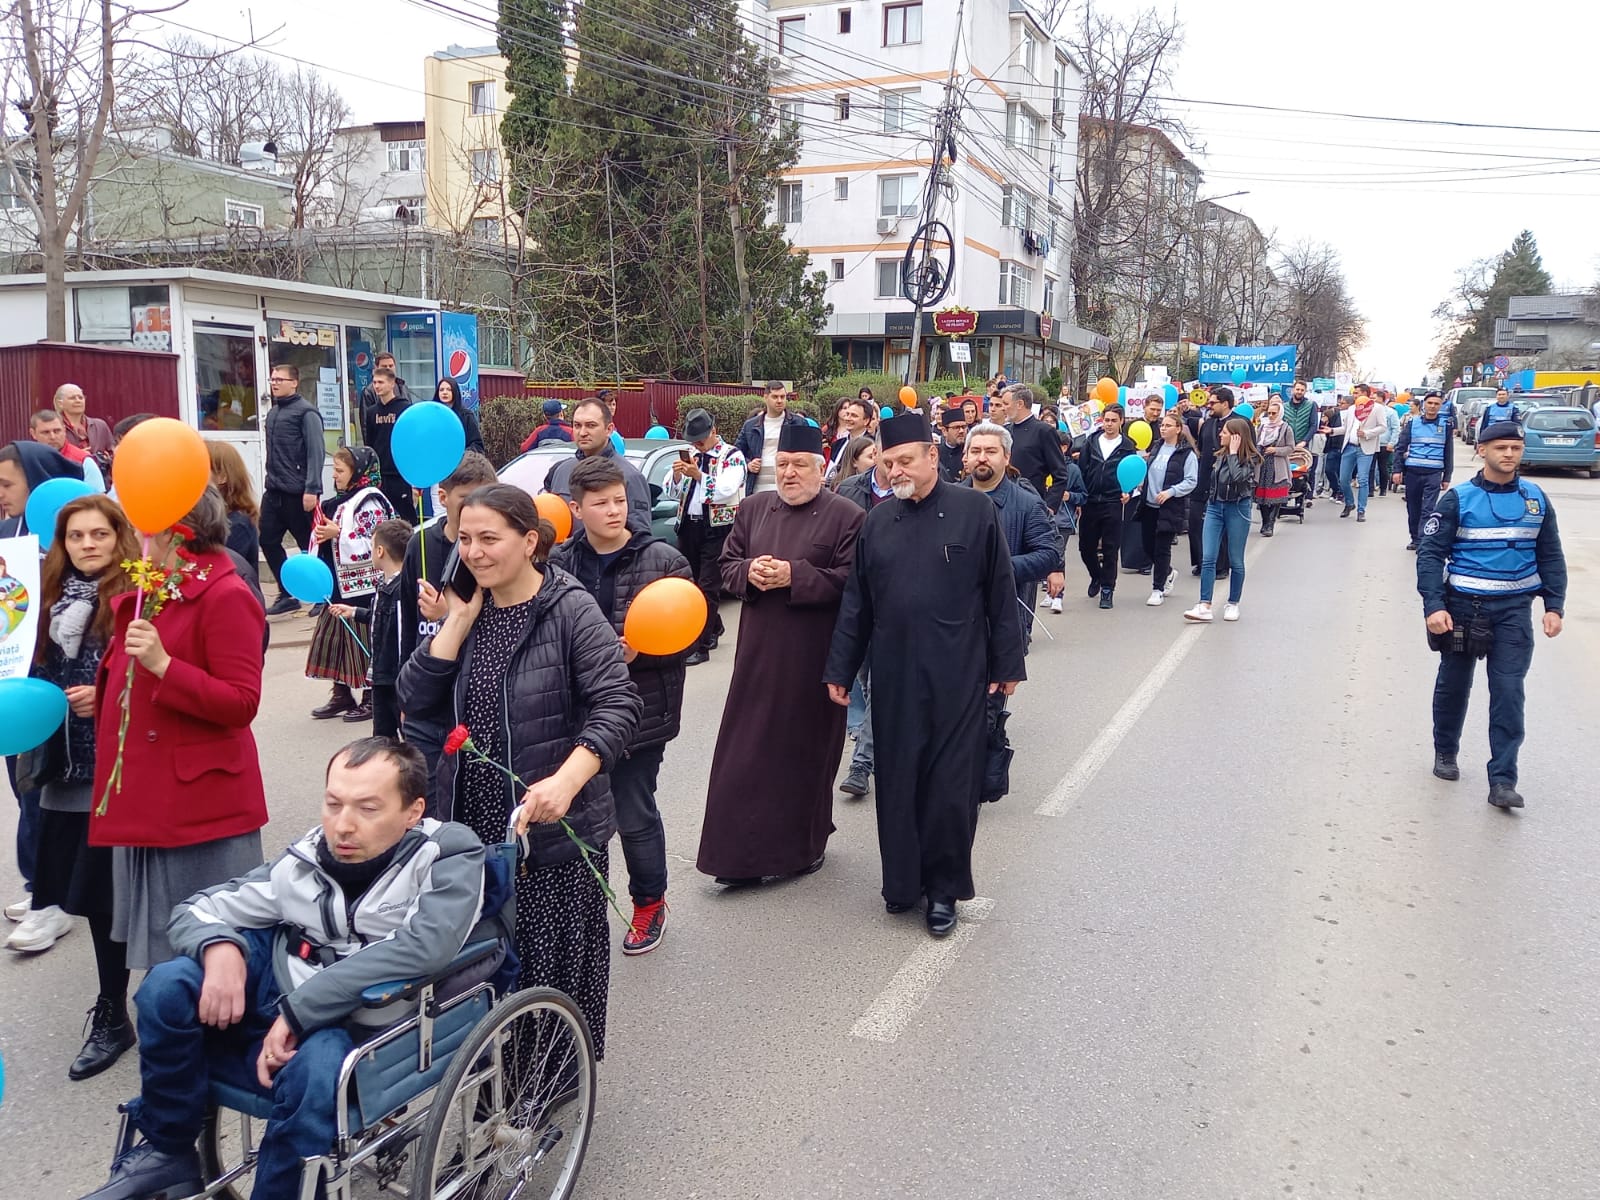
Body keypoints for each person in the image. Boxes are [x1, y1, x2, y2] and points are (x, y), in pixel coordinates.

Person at [78, 738, 484, 1200]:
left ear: (413, 811)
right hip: (281, 985)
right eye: (333, 804)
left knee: (319, 1067)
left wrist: (299, 1012)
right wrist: (219, 948)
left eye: (368, 808)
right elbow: (196, 910)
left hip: (361, 1019)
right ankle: (167, 1151)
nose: (343, 825)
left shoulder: (448, 853)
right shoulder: (303, 860)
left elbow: (424, 947)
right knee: (166, 986)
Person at [399, 483, 641, 1062]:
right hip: (474, 822)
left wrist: (567, 781)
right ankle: (492, 1082)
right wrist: (456, 621)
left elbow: (618, 704)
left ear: (530, 541)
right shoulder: (470, 610)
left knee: (546, 967)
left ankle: (551, 1083)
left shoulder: (569, 608)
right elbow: (414, 699)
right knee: (483, 967)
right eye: (464, 539)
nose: (474, 552)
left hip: (549, 827)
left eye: (489, 538)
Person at [824, 412, 1025, 938]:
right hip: (893, 675)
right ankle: (902, 882)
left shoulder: (974, 510)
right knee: (897, 781)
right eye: (888, 463)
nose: (895, 471)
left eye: (905, 461)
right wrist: (841, 666)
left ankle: (943, 891)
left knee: (949, 788)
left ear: (933, 456)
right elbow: (857, 603)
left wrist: (1008, 663)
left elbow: (1000, 590)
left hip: (959, 674)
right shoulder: (876, 522)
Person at [89, 485, 268, 974]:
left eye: (138, 522)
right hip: (153, 797)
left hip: (198, 810)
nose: (129, 532)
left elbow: (241, 702)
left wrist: (165, 666)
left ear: (174, 530)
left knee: (203, 953)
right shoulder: (157, 584)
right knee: (167, 956)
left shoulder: (225, 593)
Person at [697, 424, 864, 885]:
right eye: (783, 465)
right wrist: (751, 571)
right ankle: (736, 859)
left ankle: (801, 850)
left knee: (803, 757)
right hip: (757, 658)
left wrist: (795, 576)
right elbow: (726, 567)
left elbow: (853, 582)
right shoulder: (753, 508)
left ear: (820, 469)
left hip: (813, 658)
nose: (789, 474)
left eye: (799, 465)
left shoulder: (847, 516)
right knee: (744, 756)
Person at [9, 498, 139, 1083]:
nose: (88, 544)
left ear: (118, 538)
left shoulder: (136, 596)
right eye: (76, 535)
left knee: (126, 893)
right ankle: (114, 1009)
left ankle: (148, 1001)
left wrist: (104, 696)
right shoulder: (43, 600)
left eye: (99, 534)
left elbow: (152, 677)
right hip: (62, 767)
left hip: (118, 769)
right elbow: (29, 672)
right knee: (92, 896)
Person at [551, 457, 691, 955]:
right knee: (576, 815)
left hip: (640, 710)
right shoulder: (559, 563)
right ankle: (580, 909)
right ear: (576, 509)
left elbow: (692, 635)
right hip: (576, 709)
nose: (615, 511)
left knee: (632, 811)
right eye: (601, 503)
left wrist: (642, 652)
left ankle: (649, 903)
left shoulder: (663, 560)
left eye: (620, 501)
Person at [1416, 421, 1565, 809]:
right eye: (1501, 447)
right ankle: (1445, 751)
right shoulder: (1458, 499)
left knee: (1509, 693)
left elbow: (1550, 555)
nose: (1509, 454)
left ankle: (1502, 780)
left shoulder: (1536, 499)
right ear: (1482, 450)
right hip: (1463, 609)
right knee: (1454, 684)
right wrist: (1434, 605)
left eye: (1516, 447)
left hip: (1514, 611)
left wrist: (1554, 606)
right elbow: (1430, 554)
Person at [400, 451, 500, 785]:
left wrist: (449, 616)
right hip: (429, 694)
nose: (476, 507)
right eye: (466, 499)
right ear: (442, 498)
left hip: (477, 695)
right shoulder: (420, 544)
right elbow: (405, 624)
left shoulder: (497, 552)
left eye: (486, 496)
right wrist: (404, 695)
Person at [306, 447, 394, 722]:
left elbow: (376, 544)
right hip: (338, 584)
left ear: (358, 472)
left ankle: (371, 697)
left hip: (362, 589)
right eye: (334, 470)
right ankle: (341, 693)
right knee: (334, 640)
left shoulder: (371, 501)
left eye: (340, 471)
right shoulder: (341, 500)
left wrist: (339, 533)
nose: (335, 476)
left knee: (362, 643)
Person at [963, 420, 1064, 637]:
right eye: (975, 451)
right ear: (967, 456)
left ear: (1006, 457)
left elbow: (1048, 554)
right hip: (953, 624)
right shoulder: (947, 501)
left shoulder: (1028, 504)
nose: (982, 458)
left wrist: (1001, 568)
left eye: (991, 451)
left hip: (1005, 623)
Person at [668, 408, 745, 666]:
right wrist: (677, 475)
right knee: (689, 584)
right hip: (689, 526)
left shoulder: (732, 456)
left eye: (700, 440)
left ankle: (699, 646)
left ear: (714, 431)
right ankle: (714, 626)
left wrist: (699, 475)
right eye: (693, 440)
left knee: (708, 587)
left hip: (718, 529)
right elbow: (672, 491)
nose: (697, 445)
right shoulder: (691, 454)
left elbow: (727, 489)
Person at [260, 363, 326, 615]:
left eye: (280, 379)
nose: (275, 383)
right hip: (274, 490)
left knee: (309, 547)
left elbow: (316, 452)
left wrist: (312, 488)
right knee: (267, 540)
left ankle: (322, 595)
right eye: (273, 379)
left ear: (294, 383)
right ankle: (287, 594)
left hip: (299, 493)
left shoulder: (306, 413)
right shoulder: (274, 413)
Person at [1184, 417, 1261, 624]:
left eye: (1225, 432)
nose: (1220, 435)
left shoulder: (1251, 458)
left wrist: (1234, 454)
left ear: (1236, 437)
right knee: (1208, 557)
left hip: (1238, 508)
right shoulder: (1220, 455)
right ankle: (1204, 604)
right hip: (1215, 507)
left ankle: (1233, 603)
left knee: (1236, 559)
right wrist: (1210, 502)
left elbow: (1238, 478)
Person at [543, 397, 652, 535]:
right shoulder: (561, 471)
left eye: (591, 425)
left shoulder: (629, 476)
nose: (582, 432)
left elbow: (640, 535)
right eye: (577, 425)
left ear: (609, 429)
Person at [343, 519, 410, 740]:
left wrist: (405, 685)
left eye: (372, 546)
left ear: (380, 551)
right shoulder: (384, 585)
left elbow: (403, 637)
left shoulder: (402, 590)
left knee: (407, 735)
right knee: (382, 737)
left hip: (395, 678)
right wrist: (355, 612)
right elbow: (379, 618)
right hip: (381, 676)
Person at [1076, 404, 1136, 608]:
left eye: (1113, 421)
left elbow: (1132, 473)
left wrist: (1129, 492)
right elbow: (1082, 470)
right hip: (1091, 501)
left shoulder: (1127, 446)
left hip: (1112, 502)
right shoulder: (1091, 442)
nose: (1109, 424)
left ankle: (1108, 590)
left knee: (1110, 549)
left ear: (1121, 422)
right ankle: (1096, 576)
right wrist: (1080, 497)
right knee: (1086, 547)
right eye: (1106, 420)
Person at [1136, 411, 1197, 606]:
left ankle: (1158, 589)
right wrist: (1142, 483)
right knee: (1147, 547)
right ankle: (1168, 572)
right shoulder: (1156, 447)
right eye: (1162, 425)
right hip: (1149, 505)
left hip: (1170, 507)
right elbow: (1149, 471)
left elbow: (1191, 480)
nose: (1163, 428)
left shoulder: (1186, 453)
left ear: (1178, 429)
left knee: (1162, 549)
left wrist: (1171, 492)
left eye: (1168, 425)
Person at [1393, 391, 1455, 551]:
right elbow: (1400, 447)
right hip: (1413, 472)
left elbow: (1448, 452)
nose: (1433, 406)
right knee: (1413, 508)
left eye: (1436, 404)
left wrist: (1447, 476)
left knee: (1428, 509)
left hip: (1433, 473)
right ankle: (1415, 538)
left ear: (1440, 406)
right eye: (1430, 403)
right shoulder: (1413, 423)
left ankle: (1423, 540)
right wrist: (1397, 470)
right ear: (1424, 405)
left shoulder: (1446, 425)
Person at [995, 383, 1070, 512]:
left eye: (1006, 404)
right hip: (1003, 503)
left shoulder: (1044, 431)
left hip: (1031, 504)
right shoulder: (1005, 431)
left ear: (1019, 404)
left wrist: (1049, 506)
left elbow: (1060, 474)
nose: (1003, 408)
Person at [361, 367, 416, 524]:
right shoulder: (371, 412)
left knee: (406, 518)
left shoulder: (405, 408)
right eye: (375, 382)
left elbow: (410, 441)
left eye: (381, 382)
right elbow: (370, 443)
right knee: (382, 516)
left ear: (392, 384)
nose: (377, 386)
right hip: (380, 474)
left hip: (400, 474)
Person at [1189, 387, 1234, 577]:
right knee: (1195, 521)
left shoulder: (1239, 423)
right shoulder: (1208, 423)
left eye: (1213, 402)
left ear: (1225, 403)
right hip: (1204, 479)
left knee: (1221, 525)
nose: (1209, 406)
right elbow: (1201, 449)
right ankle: (1201, 561)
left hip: (1227, 481)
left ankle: (1221, 565)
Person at [734, 380, 807, 495]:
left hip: (789, 488)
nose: (779, 401)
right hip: (757, 489)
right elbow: (736, 454)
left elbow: (809, 454)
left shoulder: (799, 423)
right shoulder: (750, 425)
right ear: (765, 397)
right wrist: (748, 464)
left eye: (783, 397)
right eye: (775, 397)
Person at [206, 440, 261, 569]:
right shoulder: (210, 515)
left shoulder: (238, 524)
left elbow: (218, 567)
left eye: (203, 467)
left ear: (222, 477)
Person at [1338, 384, 1388, 521]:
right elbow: (1345, 428)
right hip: (1349, 447)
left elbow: (1383, 427)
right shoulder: (1351, 409)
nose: (1355, 396)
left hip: (1365, 448)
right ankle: (1349, 503)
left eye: (1357, 393)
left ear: (1366, 394)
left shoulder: (1377, 408)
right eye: (1354, 393)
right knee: (1343, 479)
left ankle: (1361, 510)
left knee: (1363, 479)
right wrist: (1332, 431)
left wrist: (1366, 433)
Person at [30, 409, 105, 489]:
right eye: (46, 432)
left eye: (57, 431)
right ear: (33, 433)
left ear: (64, 430)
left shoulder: (83, 461)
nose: (52, 437)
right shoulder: (27, 461)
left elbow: (97, 495)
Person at [1254, 397, 1295, 536]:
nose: (1271, 416)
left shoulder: (1286, 428)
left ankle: (1270, 524)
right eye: (1269, 413)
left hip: (1278, 467)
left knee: (1276, 497)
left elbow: (1291, 448)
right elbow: (1256, 443)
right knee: (1262, 497)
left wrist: (1276, 450)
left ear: (1280, 413)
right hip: (1262, 466)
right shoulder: (1262, 427)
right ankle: (1265, 522)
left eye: (1274, 413)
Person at [53, 383, 116, 473]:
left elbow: (113, 453)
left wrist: (105, 458)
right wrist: (78, 455)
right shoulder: (54, 428)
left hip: (99, 476)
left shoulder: (100, 425)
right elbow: (50, 457)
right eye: (72, 398)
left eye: (80, 397)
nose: (78, 400)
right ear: (60, 403)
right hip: (69, 475)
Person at [1284, 381, 1321, 501]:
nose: (1299, 392)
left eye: (1302, 390)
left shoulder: (1311, 405)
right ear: (1293, 390)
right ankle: (1286, 496)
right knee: (1288, 470)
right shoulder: (1285, 406)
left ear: (1305, 391)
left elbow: (1313, 425)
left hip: (1303, 443)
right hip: (1288, 444)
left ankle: (1306, 497)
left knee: (1305, 471)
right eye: (1297, 389)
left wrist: (1305, 441)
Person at [434, 377, 486, 457]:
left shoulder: (466, 416)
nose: (445, 392)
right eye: (441, 390)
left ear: (455, 392)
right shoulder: (433, 416)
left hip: (461, 461)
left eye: (449, 389)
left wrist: (463, 454)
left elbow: (477, 445)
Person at [826, 397, 871, 477]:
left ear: (866, 420)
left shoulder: (871, 446)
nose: (847, 418)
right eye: (847, 414)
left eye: (854, 415)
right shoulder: (837, 444)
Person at [1374, 393, 1400, 497]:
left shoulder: (1391, 412)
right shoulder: (1370, 411)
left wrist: (1392, 443)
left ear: (1382, 399)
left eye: (1376, 398)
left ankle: (1383, 489)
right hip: (1371, 442)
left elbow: (1396, 428)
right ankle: (1370, 489)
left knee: (1382, 467)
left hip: (1384, 443)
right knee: (1370, 467)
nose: (1374, 400)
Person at [937, 408, 968, 481]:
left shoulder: (969, 452)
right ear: (944, 431)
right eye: (956, 427)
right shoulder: (937, 453)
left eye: (963, 427)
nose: (961, 431)